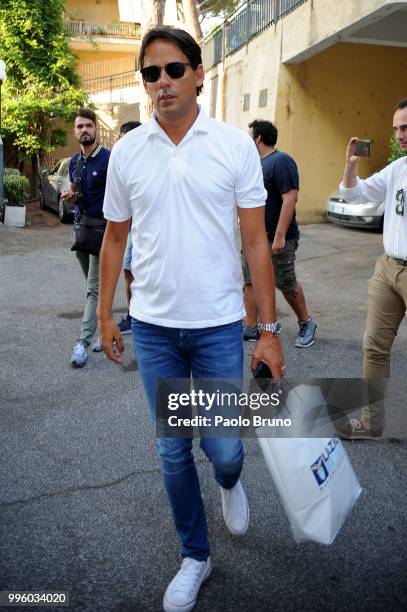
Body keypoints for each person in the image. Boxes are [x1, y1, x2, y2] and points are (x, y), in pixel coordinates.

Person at [97, 27, 284, 612]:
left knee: (224, 448)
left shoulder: (232, 147)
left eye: (172, 70)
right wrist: (106, 314)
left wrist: (271, 332)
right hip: (153, 329)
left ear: (199, 74)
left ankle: (230, 479)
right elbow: (114, 239)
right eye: (150, 74)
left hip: (219, 326)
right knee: (173, 450)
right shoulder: (127, 152)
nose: (161, 84)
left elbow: (256, 245)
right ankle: (195, 556)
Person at [337, 98, 407, 439]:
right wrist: (350, 166)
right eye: (396, 128)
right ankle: (371, 421)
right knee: (374, 347)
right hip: (388, 269)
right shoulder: (398, 169)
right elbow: (355, 195)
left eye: (405, 127)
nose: (400, 135)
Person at [242, 119, 317, 348]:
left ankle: (306, 322)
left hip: (278, 237)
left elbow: (290, 198)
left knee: (285, 282)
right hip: (255, 236)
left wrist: (280, 236)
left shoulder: (281, 161)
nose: (248, 139)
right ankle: (252, 326)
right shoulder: (255, 163)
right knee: (250, 281)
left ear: (258, 138)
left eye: (250, 135)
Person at [61, 108, 110, 368]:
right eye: (79, 126)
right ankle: (104, 328)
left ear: (96, 128)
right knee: (96, 287)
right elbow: (75, 190)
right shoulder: (74, 162)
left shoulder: (109, 159)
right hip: (80, 230)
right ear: (75, 131)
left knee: (92, 288)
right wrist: (71, 196)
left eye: (88, 125)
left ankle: (82, 344)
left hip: (101, 232)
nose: (84, 130)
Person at [115, 121, 142, 335]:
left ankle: (140, 316)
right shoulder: (122, 163)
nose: (121, 141)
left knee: (140, 272)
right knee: (128, 271)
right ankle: (133, 316)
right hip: (130, 232)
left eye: (124, 136)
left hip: (144, 233)